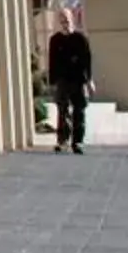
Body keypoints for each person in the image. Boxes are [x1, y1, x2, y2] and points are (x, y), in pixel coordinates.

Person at [46, 10, 95, 153]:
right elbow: (52, 61)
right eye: (61, 20)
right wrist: (52, 82)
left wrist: (89, 80)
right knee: (62, 110)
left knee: (79, 111)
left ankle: (78, 141)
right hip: (62, 80)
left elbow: (87, 61)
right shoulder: (55, 40)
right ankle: (63, 140)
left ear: (71, 20)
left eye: (66, 20)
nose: (64, 23)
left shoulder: (80, 38)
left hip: (78, 79)